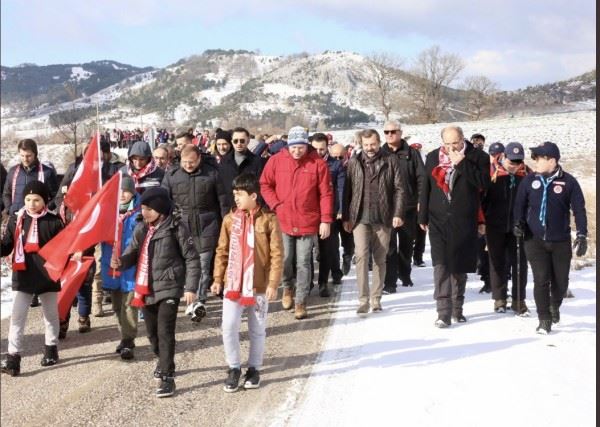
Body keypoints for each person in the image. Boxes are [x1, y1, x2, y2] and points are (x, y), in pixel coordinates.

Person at [112, 187, 200, 397]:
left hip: (169, 286)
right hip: (146, 288)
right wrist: (120, 262)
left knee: (165, 331)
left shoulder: (177, 228)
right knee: (151, 333)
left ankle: (167, 376)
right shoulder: (141, 229)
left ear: (161, 209)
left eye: (149, 209)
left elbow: (192, 258)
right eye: (143, 208)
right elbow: (131, 253)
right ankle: (163, 360)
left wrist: (190, 287)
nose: (145, 212)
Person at [211, 173, 283, 392]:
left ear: (253, 195)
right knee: (229, 327)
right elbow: (221, 251)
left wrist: (273, 283)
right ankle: (234, 367)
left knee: (257, 329)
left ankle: (254, 369)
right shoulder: (229, 219)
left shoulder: (269, 219)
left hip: (259, 285)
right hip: (233, 285)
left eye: (240, 194)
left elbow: (277, 253)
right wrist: (217, 279)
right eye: (234, 194)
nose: (236, 199)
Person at [259, 126, 333, 320]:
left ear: (306, 145)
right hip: (283, 219)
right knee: (285, 259)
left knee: (303, 263)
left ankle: (301, 301)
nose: (297, 151)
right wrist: (275, 204)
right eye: (293, 147)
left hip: (308, 220)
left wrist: (325, 220)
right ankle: (287, 288)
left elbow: (326, 193)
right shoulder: (276, 161)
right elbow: (265, 184)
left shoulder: (317, 163)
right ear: (288, 145)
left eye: (300, 147)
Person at [419, 126, 490, 327]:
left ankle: (457, 308)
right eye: (447, 144)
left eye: (456, 143)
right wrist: (422, 214)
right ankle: (443, 311)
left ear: (463, 139)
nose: (451, 148)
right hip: (438, 217)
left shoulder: (478, 157)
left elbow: (483, 184)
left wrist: (462, 163)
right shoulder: (433, 157)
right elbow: (426, 186)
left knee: (459, 266)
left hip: (464, 218)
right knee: (440, 264)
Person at [513, 141, 587, 334]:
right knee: (541, 279)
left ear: (552, 160)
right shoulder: (529, 181)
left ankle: (555, 304)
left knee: (561, 282)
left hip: (560, 240)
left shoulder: (569, 182)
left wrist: (582, 234)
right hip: (534, 239)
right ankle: (544, 318)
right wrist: (518, 223)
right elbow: (519, 206)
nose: (535, 161)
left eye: (539, 158)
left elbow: (579, 210)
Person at [1, 181, 64, 376]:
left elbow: (63, 248)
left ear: (44, 201)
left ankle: (51, 348)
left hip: (47, 274)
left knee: (50, 315)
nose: (31, 204)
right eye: (27, 200)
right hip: (24, 273)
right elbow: (7, 246)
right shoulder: (15, 220)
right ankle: (13, 358)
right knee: (18, 316)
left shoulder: (54, 222)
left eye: (36, 200)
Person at [342, 129, 404, 315]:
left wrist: (398, 213)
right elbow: (347, 191)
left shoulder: (391, 160)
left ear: (379, 143)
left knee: (380, 259)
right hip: (360, 217)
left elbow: (400, 189)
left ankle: (376, 298)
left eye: (373, 144)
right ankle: (363, 299)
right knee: (361, 255)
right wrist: (346, 216)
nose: (369, 148)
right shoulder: (354, 162)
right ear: (361, 144)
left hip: (383, 217)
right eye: (366, 144)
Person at [161, 144, 227, 304]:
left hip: (207, 226)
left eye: (191, 162)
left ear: (199, 159)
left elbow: (223, 202)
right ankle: (187, 294)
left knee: (203, 266)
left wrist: (227, 226)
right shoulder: (172, 175)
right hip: (182, 227)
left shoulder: (212, 173)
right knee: (185, 265)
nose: (188, 165)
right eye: (184, 162)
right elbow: (164, 202)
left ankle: (199, 301)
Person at [482, 142, 531, 315]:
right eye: (512, 162)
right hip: (494, 224)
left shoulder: (527, 174)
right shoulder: (491, 172)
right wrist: (482, 220)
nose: (515, 166)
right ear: (504, 157)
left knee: (519, 264)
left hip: (519, 227)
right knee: (497, 262)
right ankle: (499, 298)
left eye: (518, 162)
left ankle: (519, 300)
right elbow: (482, 199)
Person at [380, 121, 425, 292]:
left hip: (408, 206)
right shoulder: (380, 153)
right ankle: (389, 282)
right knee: (389, 247)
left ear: (400, 133)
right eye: (386, 132)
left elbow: (421, 177)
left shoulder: (411, 153)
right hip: (387, 207)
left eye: (393, 131)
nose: (390, 134)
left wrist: (421, 199)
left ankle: (405, 274)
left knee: (407, 244)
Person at [100, 176, 141, 360]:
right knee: (117, 305)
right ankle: (123, 335)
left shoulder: (140, 213)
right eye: (119, 192)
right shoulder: (107, 212)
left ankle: (128, 340)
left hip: (131, 265)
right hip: (112, 265)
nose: (122, 195)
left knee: (129, 304)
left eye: (126, 191)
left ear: (132, 192)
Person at [311, 134, 345, 296]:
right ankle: (307, 281)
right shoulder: (305, 163)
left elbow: (340, 188)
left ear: (327, 148)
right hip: (309, 213)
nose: (318, 152)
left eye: (322, 149)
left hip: (328, 213)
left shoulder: (336, 165)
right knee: (305, 251)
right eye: (315, 149)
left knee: (327, 249)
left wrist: (340, 209)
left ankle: (324, 282)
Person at [3, 138, 59, 216]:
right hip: (16, 217)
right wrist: (10, 209)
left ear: (35, 154)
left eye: (28, 156)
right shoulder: (13, 171)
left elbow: (56, 196)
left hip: (39, 218)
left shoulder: (47, 172)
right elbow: (6, 193)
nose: (25, 159)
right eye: (22, 156)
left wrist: (46, 209)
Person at [218, 127, 264, 212]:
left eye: (242, 141)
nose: (239, 144)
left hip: (251, 210)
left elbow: (261, 187)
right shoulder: (224, 162)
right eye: (236, 141)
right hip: (230, 210)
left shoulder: (258, 162)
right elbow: (221, 189)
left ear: (248, 141)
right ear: (232, 142)